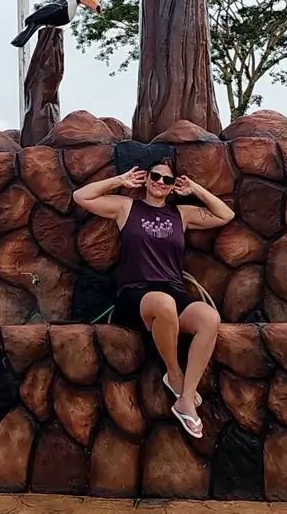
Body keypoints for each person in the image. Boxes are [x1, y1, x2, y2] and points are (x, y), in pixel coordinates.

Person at [73, 158, 235, 439]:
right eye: (156, 176)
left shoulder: (181, 214)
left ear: (172, 187)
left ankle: (186, 399)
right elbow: (81, 196)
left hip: (173, 291)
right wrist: (119, 181)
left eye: (167, 180)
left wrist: (195, 189)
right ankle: (174, 373)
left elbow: (225, 214)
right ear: (146, 179)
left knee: (209, 318)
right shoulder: (127, 207)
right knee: (163, 303)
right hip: (134, 295)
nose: (161, 182)